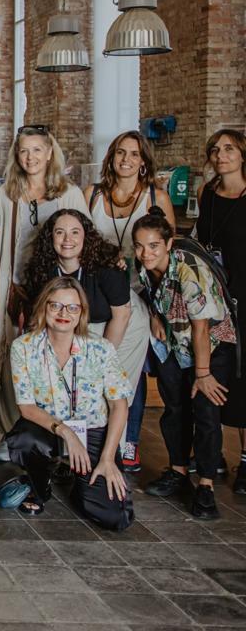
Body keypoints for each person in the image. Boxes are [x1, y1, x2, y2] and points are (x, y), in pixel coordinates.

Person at [23, 209, 150, 469]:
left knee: (108, 388)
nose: (67, 239)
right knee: (72, 385)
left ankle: (110, 458)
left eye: (75, 232)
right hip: (80, 323)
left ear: (86, 237)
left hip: (123, 322)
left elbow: (122, 314)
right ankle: (70, 453)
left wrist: (99, 363)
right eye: (60, 232)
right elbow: (40, 316)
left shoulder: (105, 266)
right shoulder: (43, 269)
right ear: (51, 238)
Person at [5, 277, 133, 529]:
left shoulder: (101, 348)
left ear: (82, 313)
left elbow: (120, 405)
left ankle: (79, 484)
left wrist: (107, 458)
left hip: (93, 430)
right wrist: (66, 432)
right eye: (56, 306)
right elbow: (27, 408)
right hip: (48, 427)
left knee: (116, 518)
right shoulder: (24, 347)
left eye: (72, 308)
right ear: (43, 307)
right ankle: (39, 485)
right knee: (24, 440)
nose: (64, 314)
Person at [0, 126, 88, 449]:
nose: (30, 157)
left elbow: (87, 238)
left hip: (56, 292)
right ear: (16, 157)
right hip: (16, 289)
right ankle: (14, 432)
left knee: (51, 365)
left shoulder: (69, 193)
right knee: (9, 363)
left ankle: (52, 437)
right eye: (24, 151)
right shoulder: (7, 194)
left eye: (36, 150)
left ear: (49, 153)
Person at [134, 212, 238, 519]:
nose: (146, 253)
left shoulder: (189, 270)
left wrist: (203, 374)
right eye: (140, 246)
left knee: (205, 411)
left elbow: (201, 328)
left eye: (153, 246)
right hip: (173, 344)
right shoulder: (145, 268)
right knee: (174, 409)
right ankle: (178, 470)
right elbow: (151, 295)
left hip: (210, 347)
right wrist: (154, 316)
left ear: (168, 243)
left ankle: (205, 485)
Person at [85, 130, 175, 472]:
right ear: (112, 158)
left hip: (140, 295)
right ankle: (93, 439)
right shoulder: (92, 195)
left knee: (129, 373)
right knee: (98, 367)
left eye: (134, 154)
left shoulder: (156, 197)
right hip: (99, 296)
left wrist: (157, 310)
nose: (126, 160)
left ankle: (129, 443)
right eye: (120, 153)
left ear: (143, 162)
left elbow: (167, 254)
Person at [197, 129, 246, 494]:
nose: (222, 155)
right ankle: (212, 453)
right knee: (218, 371)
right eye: (216, 150)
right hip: (219, 294)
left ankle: (245, 458)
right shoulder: (208, 194)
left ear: (242, 155)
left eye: (229, 149)